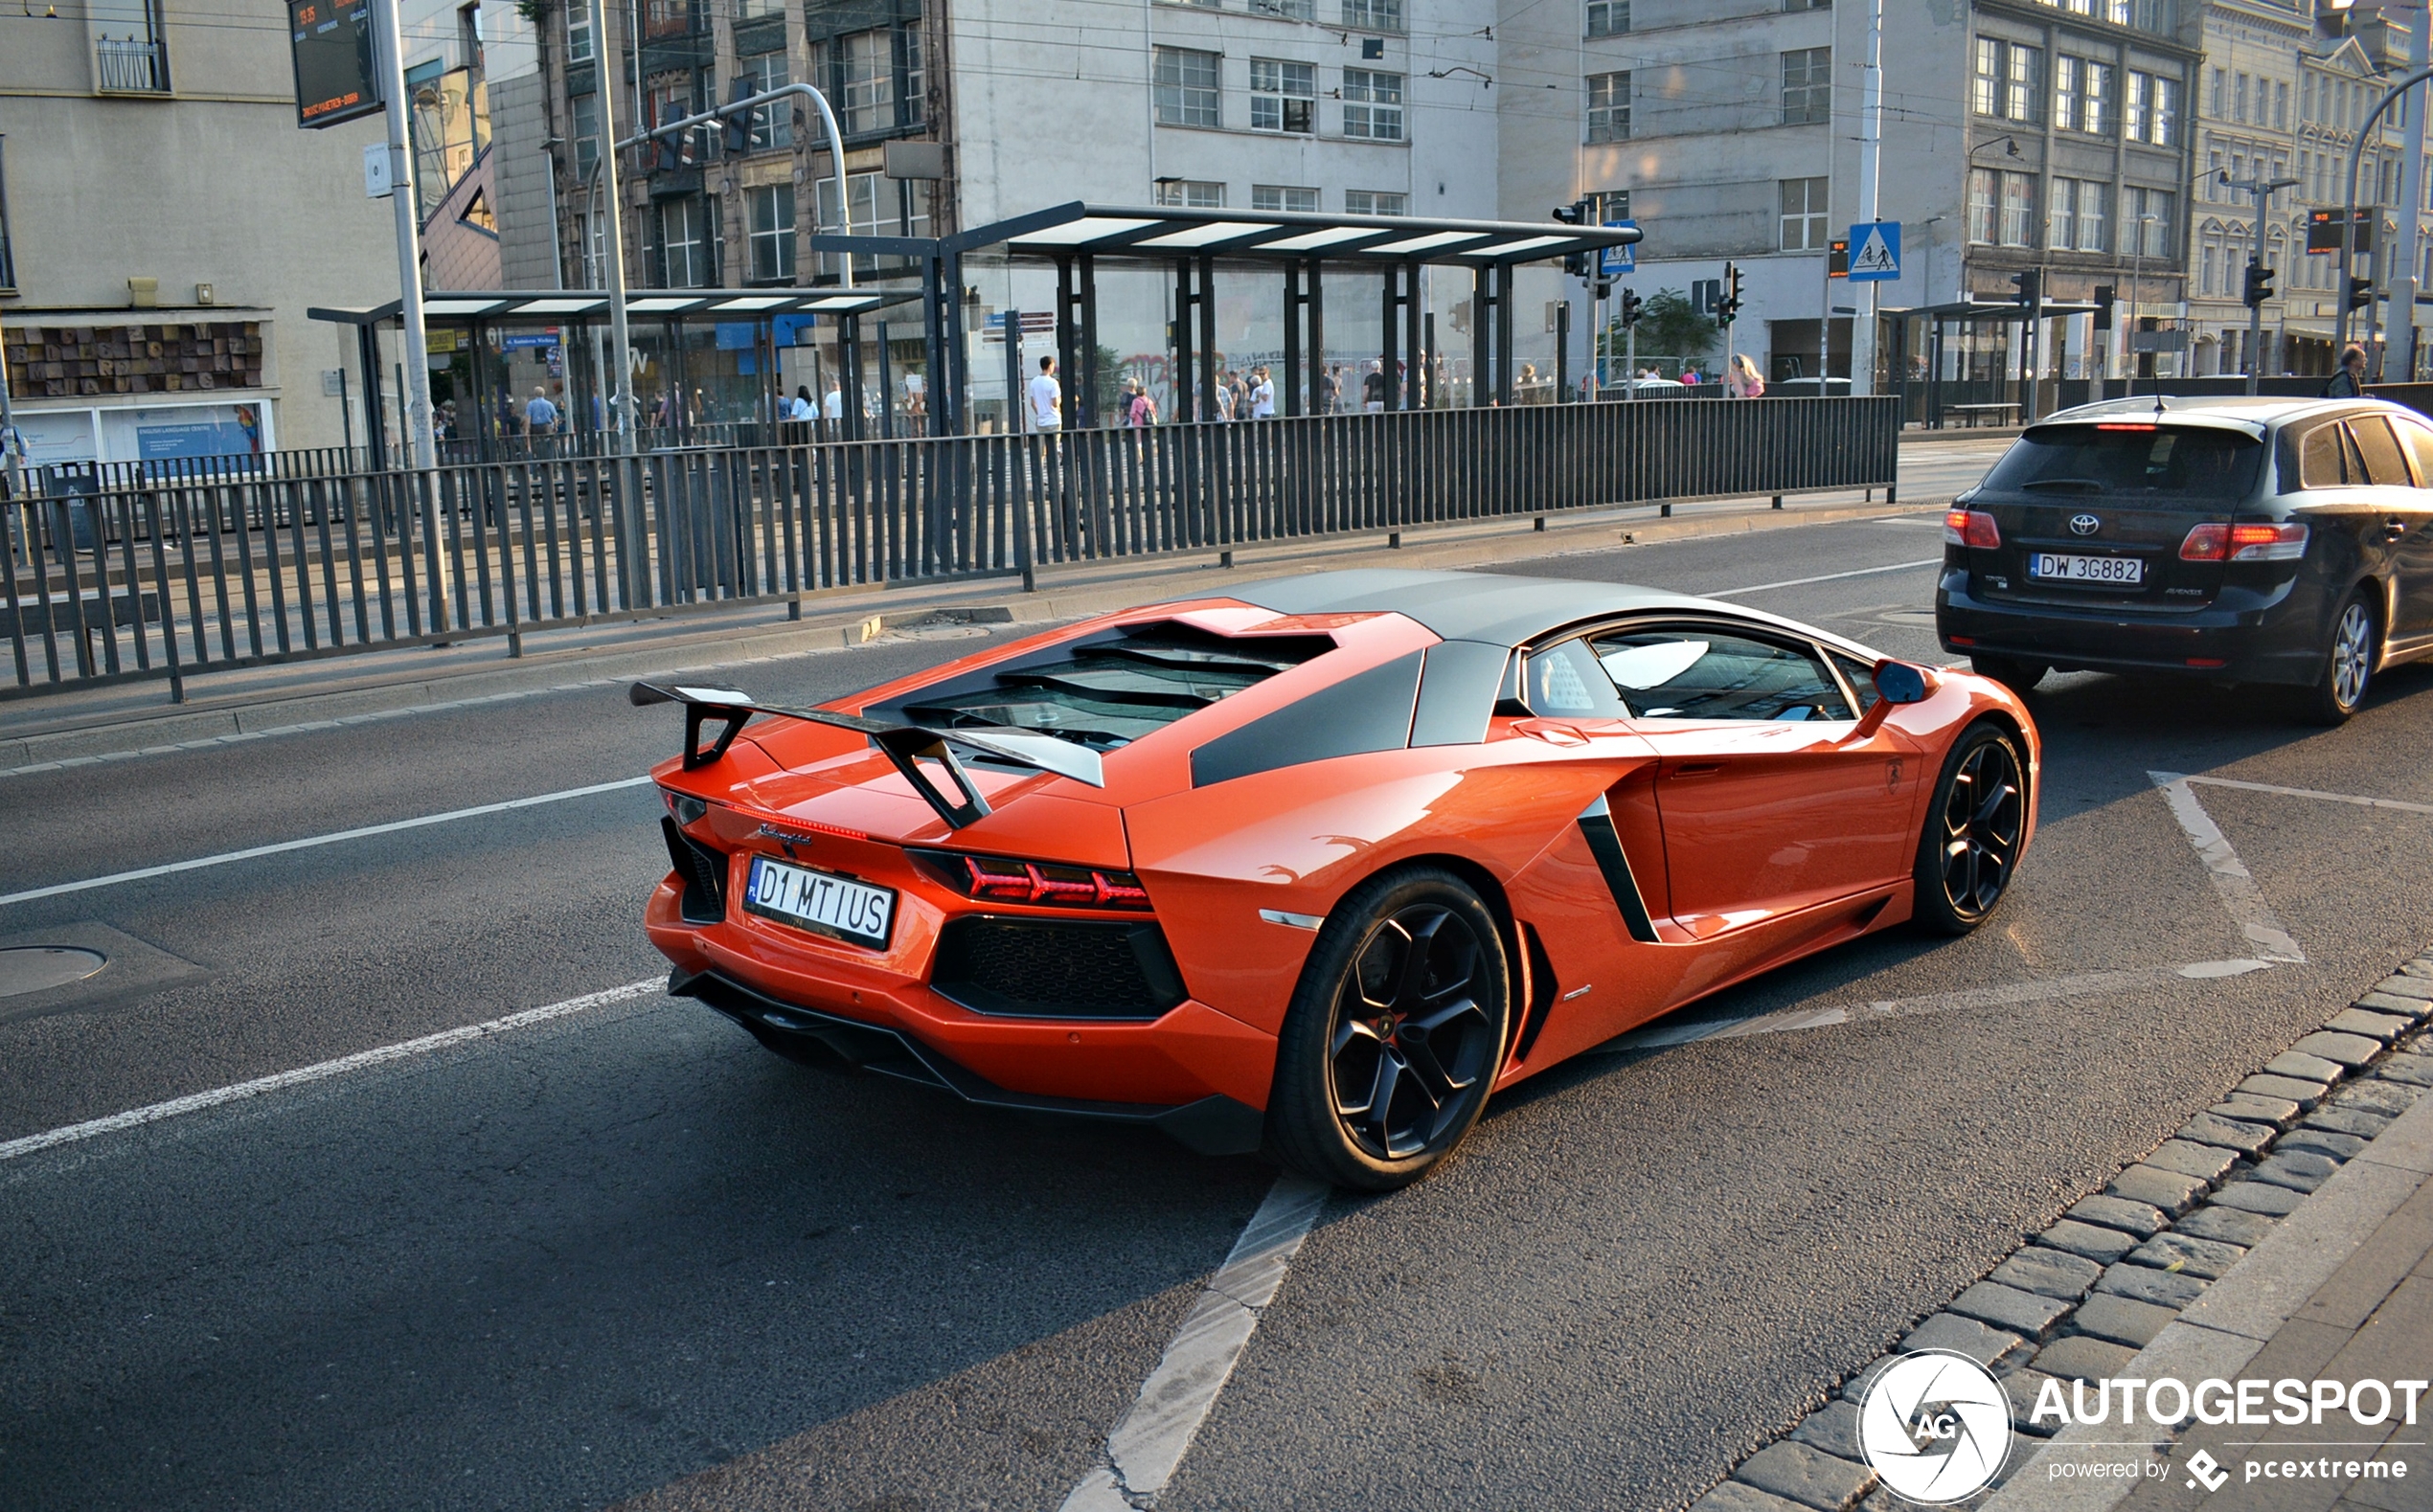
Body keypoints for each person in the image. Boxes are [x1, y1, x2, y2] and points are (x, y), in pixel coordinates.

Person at [1028, 353, 1063, 433]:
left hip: (1041, 421)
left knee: (1042, 444)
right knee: (1054, 444)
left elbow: (1033, 403)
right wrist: (1059, 403)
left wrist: (1040, 413)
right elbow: (1055, 403)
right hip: (1053, 420)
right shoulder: (1053, 383)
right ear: (1050, 366)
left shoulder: (1034, 382)